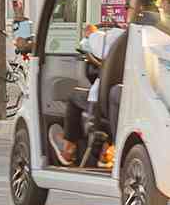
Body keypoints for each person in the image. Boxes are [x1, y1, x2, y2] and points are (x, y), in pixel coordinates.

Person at [51, 23, 125, 168]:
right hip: (131, 100)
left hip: (104, 103)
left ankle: (69, 149)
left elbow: (96, 45)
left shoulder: (120, 36)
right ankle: (106, 151)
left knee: (74, 96)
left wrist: (91, 33)